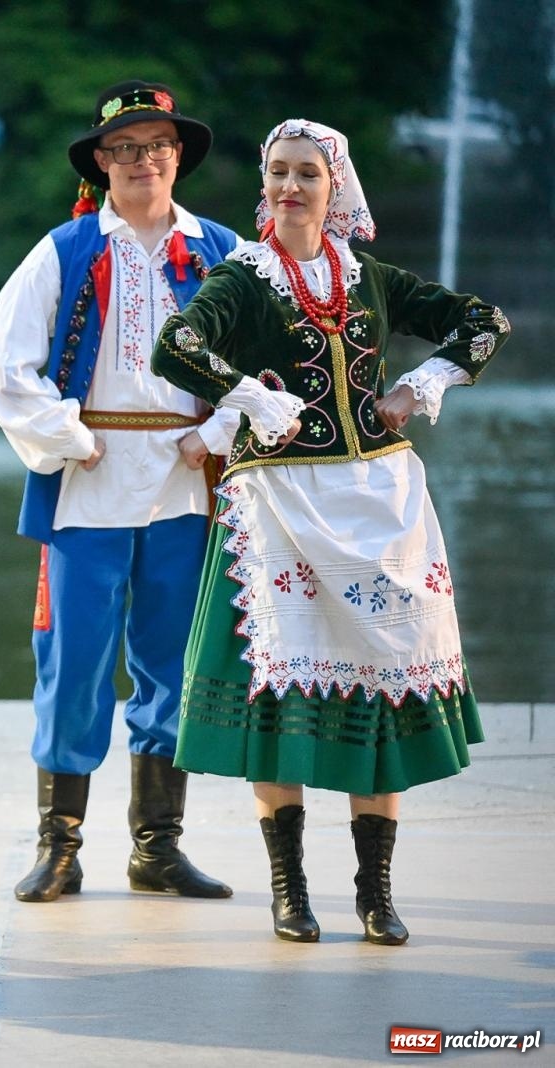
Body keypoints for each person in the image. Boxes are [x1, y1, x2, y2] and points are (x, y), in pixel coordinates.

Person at [152, 119, 510, 944]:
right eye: (277, 172)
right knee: (285, 700)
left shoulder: (369, 276)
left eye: (306, 174)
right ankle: (289, 889)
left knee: (380, 687)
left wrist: (418, 382)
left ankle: (375, 893)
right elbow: (178, 346)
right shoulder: (243, 279)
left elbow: (483, 321)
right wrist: (249, 395)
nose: (288, 188)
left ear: (333, 186)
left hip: (379, 502)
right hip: (280, 509)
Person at [0, 81, 238, 905]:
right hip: (87, 482)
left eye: (155, 144)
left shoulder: (223, 251)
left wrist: (221, 432)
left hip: (184, 482)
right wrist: (67, 435)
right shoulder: (66, 248)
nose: (140, 159)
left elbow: (265, 367)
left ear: (178, 155)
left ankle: (158, 847)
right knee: (74, 663)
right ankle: (61, 847)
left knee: (172, 663)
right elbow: (3, 359)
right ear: (100, 160)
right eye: (123, 147)